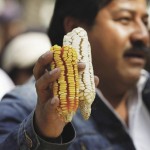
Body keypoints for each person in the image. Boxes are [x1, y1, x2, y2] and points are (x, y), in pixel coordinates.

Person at [0, 0, 150, 149]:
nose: (143, 35)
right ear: (73, 28)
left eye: (145, 21)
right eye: (125, 19)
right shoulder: (23, 106)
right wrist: (43, 133)